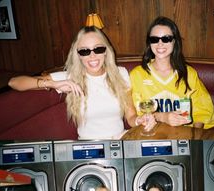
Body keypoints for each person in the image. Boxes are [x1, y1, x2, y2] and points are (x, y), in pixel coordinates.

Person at [8, 26, 155, 139]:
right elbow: (14, 82)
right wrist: (52, 84)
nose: (92, 56)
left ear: (106, 51)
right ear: (77, 55)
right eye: (84, 51)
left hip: (120, 140)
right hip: (88, 148)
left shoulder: (121, 73)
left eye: (98, 49)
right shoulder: (70, 76)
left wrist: (139, 120)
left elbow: (130, 117)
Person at [130, 16, 214, 129]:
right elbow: (136, 116)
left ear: (174, 41)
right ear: (149, 43)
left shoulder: (189, 74)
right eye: (154, 39)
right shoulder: (137, 75)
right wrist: (163, 117)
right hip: (151, 135)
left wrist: (194, 137)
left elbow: (202, 112)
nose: (160, 43)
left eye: (166, 38)